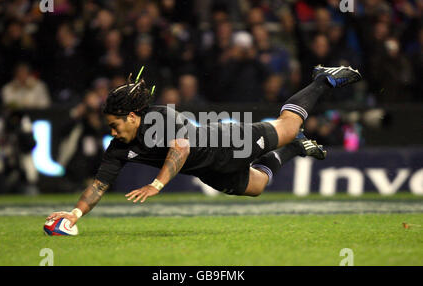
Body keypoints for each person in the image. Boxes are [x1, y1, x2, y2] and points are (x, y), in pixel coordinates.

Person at [47, 65, 362, 226]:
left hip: (227, 142)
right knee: (257, 186)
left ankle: (322, 80)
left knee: (289, 126)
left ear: (132, 116)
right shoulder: (118, 147)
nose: (113, 133)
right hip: (209, 171)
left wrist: (157, 184)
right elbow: (99, 184)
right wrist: (75, 213)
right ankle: (295, 150)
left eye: (115, 125)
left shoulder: (161, 116)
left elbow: (180, 148)